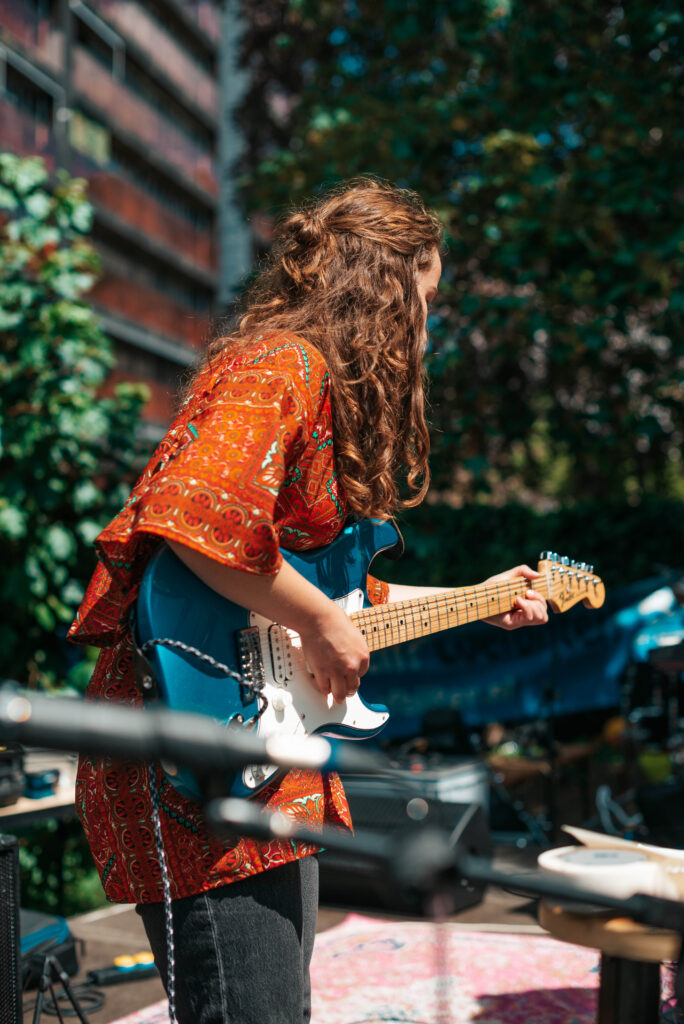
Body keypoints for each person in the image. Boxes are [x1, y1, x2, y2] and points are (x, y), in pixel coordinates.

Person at [68, 178, 548, 1024]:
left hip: (271, 768)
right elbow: (194, 518)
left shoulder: (307, 382)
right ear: (381, 292)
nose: (427, 326)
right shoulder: (280, 364)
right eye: (423, 300)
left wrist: (480, 597)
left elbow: (336, 595)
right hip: (197, 773)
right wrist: (323, 619)